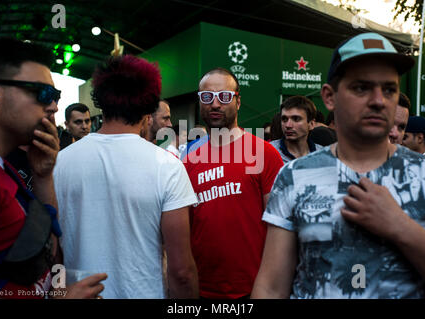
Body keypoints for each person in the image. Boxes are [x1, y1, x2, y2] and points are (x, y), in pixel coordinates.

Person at [252, 32, 425, 299]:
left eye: (389, 89)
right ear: (329, 97)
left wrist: (399, 226)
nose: (378, 100)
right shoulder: (294, 177)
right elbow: (270, 287)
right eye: (361, 87)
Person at [54, 55, 199, 299]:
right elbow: (181, 271)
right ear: (147, 109)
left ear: (101, 100)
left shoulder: (60, 163)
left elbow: (52, 254)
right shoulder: (167, 167)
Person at [0, 37, 106, 299]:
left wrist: (43, 175)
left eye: (56, 96)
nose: (53, 106)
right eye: (42, 93)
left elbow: (48, 249)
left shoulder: (3, 167)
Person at [183, 67, 284, 299]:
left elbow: (280, 229)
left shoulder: (264, 154)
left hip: (254, 289)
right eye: (207, 97)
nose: (215, 104)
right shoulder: (188, 163)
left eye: (224, 96)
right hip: (202, 290)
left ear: (238, 102)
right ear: (200, 103)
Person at [270, 96, 323, 164]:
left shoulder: (323, 156)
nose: (288, 125)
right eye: (284, 119)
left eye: (296, 119)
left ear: (311, 124)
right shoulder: (268, 152)